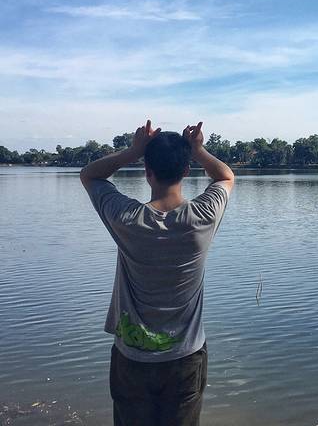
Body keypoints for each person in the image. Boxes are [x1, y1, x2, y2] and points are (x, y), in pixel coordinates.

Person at [80, 120, 235, 426]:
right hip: (185, 358)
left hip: (132, 359)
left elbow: (90, 175)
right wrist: (198, 150)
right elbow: (225, 176)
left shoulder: (127, 218)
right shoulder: (202, 217)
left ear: (146, 171)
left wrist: (133, 150)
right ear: (186, 171)